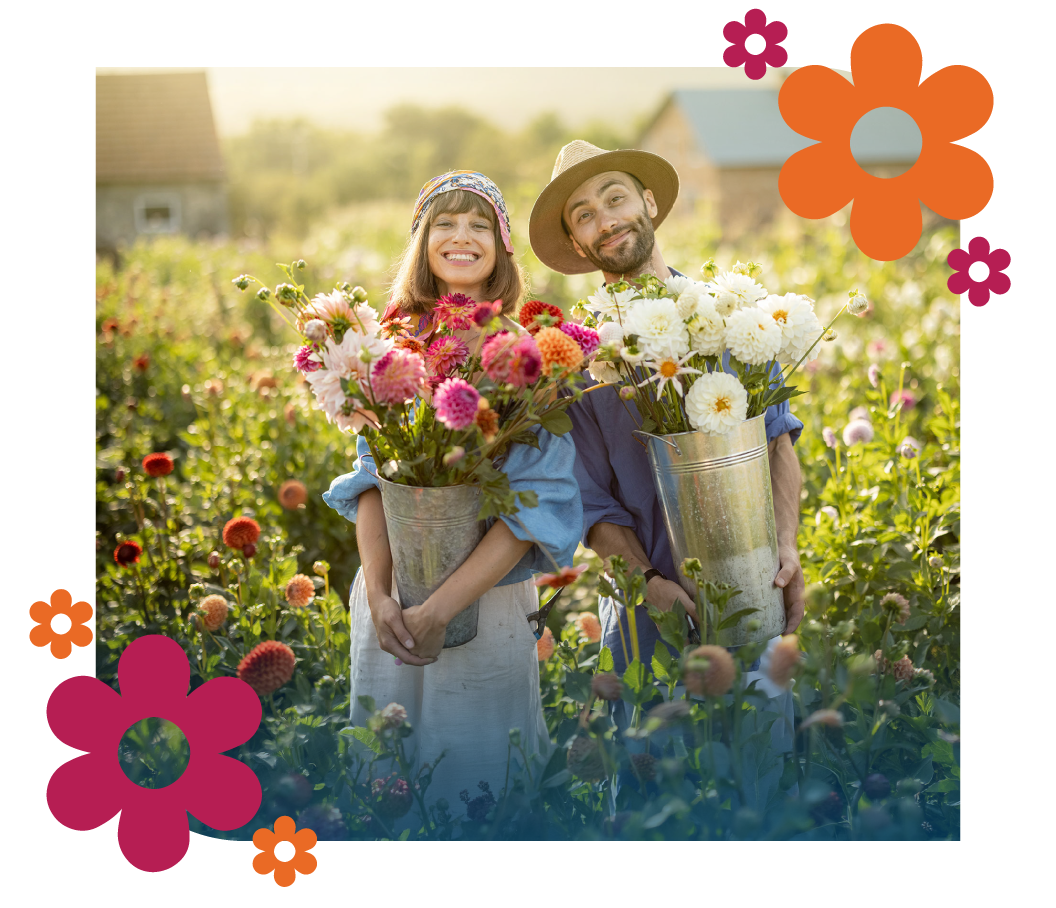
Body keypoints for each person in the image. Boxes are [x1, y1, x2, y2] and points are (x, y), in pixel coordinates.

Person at [528, 141, 805, 810]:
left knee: (760, 786)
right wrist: (645, 581)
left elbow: (777, 442)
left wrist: (788, 546)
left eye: (615, 198)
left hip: (751, 585)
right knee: (653, 798)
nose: (606, 220)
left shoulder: (730, 316)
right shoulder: (581, 360)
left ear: (648, 202)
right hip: (645, 615)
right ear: (577, 241)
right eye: (584, 215)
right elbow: (592, 505)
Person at [322, 171, 582, 816]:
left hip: (484, 604)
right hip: (390, 601)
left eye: (479, 225)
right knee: (389, 782)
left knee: (481, 786)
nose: (461, 237)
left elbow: (535, 502)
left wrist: (440, 611)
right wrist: (382, 596)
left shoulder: (526, 355)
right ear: (421, 240)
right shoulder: (388, 345)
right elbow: (371, 482)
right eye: (445, 222)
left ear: (501, 248)